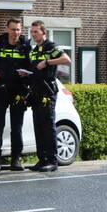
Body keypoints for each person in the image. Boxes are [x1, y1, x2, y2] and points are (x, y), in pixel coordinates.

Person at [0, 18, 32, 172]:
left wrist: (27, 75)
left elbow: (32, 66)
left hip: (18, 91)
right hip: (0, 90)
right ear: (7, 29)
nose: (15, 32)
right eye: (13, 29)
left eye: (18, 29)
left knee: (17, 127)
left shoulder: (26, 47)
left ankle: (16, 160)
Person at [27, 20, 71, 172]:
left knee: (48, 126)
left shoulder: (51, 47)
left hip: (48, 91)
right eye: (32, 32)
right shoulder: (34, 49)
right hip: (36, 91)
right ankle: (42, 159)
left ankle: (52, 160)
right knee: (38, 126)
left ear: (43, 33)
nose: (33, 34)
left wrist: (47, 62)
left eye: (36, 32)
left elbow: (67, 59)